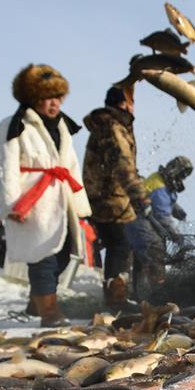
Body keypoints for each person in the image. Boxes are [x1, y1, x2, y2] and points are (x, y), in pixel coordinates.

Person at [0, 64, 91, 327]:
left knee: (63, 254)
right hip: (32, 200)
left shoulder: (62, 126)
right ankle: (49, 312)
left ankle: (36, 303)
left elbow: (72, 165)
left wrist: (80, 205)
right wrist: (12, 205)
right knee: (42, 256)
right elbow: (4, 167)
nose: (54, 102)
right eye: (48, 97)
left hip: (60, 198)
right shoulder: (12, 126)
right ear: (33, 98)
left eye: (58, 96)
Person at [83, 86, 150, 305]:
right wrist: (139, 195)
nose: (133, 105)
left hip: (104, 195)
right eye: (131, 100)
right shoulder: (114, 127)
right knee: (120, 244)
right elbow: (123, 165)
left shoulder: (106, 125)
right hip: (109, 197)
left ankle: (117, 295)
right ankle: (117, 299)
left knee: (118, 244)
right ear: (124, 103)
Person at [145, 155, 192, 242]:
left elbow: (166, 201)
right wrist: (177, 236)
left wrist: (178, 211)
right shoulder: (159, 187)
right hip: (138, 226)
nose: (183, 178)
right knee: (156, 249)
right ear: (175, 171)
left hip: (139, 222)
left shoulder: (159, 178)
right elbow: (162, 216)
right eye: (182, 175)